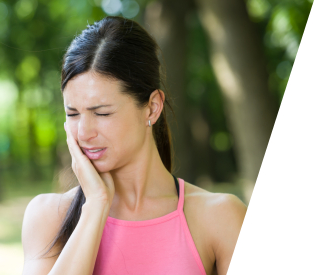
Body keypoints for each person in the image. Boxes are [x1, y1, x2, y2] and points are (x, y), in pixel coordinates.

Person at [21, 16, 247, 275]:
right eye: (72, 114)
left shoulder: (220, 217)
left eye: (102, 113)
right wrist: (95, 205)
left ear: (152, 107)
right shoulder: (48, 217)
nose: (83, 132)